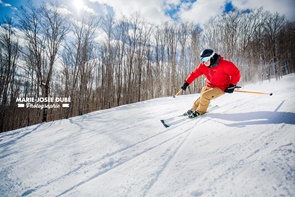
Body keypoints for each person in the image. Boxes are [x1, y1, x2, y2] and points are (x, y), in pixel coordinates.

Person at [181, 49, 241, 118]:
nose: (205, 62)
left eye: (206, 59)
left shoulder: (224, 64)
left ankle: (200, 111)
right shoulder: (203, 66)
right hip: (209, 85)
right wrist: (186, 83)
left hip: (221, 87)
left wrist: (232, 84)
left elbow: (236, 73)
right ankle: (193, 109)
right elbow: (194, 74)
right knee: (202, 97)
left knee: (205, 96)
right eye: (202, 59)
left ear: (212, 57)